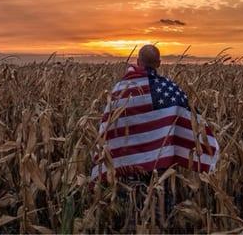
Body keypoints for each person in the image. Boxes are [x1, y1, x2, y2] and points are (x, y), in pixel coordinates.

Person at [92, 44, 219, 231]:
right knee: (161, 209)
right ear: (159, 63)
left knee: (129, 207)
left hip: (126, 165)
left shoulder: (119, 90)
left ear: (137, 61)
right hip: (160, 167)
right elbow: (190, 118)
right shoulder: (170, 90)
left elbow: (106, 130)